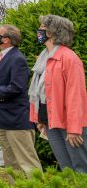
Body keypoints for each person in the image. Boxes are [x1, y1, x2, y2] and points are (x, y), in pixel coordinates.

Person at [28, 14, 87, 173]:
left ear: (52, 32)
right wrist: (41, 119)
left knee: (81, 169)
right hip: (51, 123)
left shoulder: (69, 58)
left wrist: (74, 129)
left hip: (70, 125)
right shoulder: (43, 58)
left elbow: (76, 96)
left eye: (42, 29)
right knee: (66, 169)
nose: (38, 32)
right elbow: (42, 92)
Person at [0, 25, 41, 174]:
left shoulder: (17, 58)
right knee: (12, 166)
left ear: (6, 39)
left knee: (28, 164)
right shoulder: (4, 57)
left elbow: (17, 87)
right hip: (4, 120)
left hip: (17, 120)